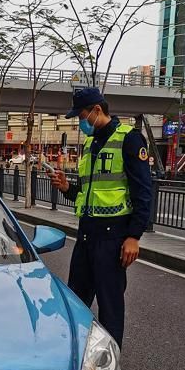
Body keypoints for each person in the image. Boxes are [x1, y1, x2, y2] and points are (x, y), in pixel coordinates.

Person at [47, 87, 152, 349]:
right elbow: (88, 194)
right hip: (86, 235)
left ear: (96, 110)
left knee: (110, 306)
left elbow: (143, 191)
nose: (80, 123)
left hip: (113, 237)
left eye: (82, 116)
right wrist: (66, 189)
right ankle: (77, 357)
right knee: (76, 301)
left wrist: (133, 236)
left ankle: (110, 363)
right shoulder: (89, 143)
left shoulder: (130, 139)